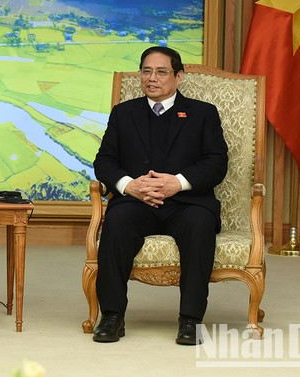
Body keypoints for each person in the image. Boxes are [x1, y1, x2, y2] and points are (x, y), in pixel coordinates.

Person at [92, 46, 228, 345]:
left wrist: (177, 183)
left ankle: (190, 320)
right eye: (146, 71)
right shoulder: (124, 113)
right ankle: (112, 316)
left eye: (161, 72)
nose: (152, 78)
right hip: (136, 202)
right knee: (116, 223)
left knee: (198, 226)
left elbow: (216, 163)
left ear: (178, 77)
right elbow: (104, 161)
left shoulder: (203, 113)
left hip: (188, 202)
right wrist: (130, 186)